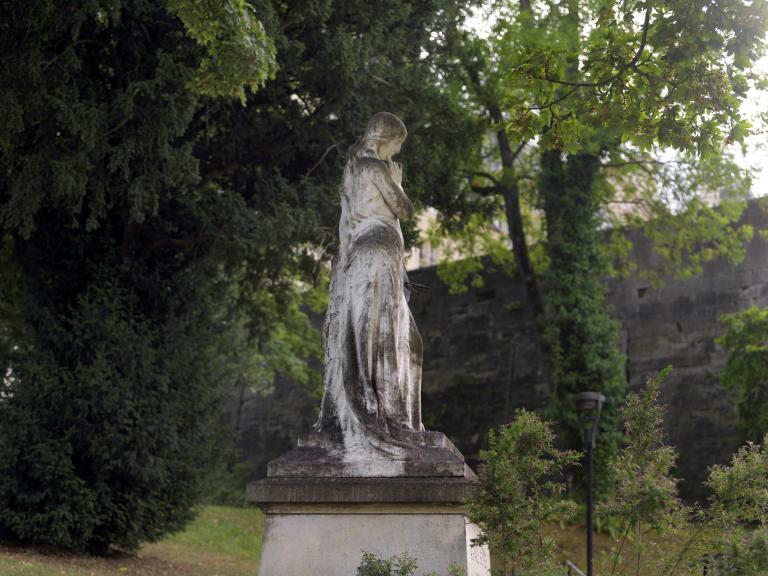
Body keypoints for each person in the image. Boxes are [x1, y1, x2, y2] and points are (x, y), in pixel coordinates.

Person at [314, 112, 424, 459]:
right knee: (383, 329)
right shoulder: (375, 168)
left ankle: (380, 401)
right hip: (379, 245)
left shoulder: (352, 170)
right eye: (397, 144)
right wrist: (398, 181)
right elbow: (404, 210)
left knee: (378, 328)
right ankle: (389, 410)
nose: (396, 151)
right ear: (386, 138)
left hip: (361, 249)